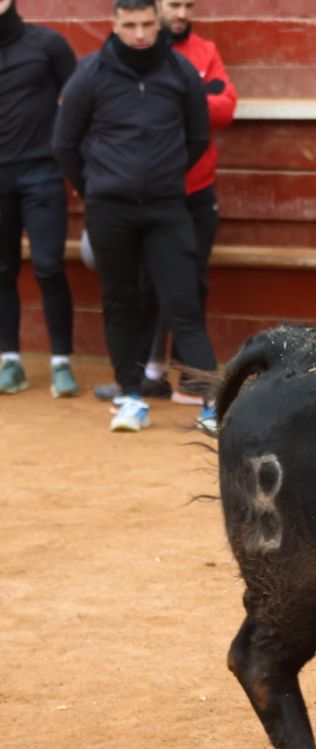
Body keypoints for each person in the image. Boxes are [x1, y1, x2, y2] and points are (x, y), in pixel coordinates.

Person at [54, 0, 219, 434]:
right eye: (130, 25)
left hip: (167, 208)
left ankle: (212, 404)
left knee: (184, 302)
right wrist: (97, 187)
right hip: (111, 210)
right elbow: (65, 144)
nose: (141, 33)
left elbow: (198, 136)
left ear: (157, 21)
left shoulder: (180, 72)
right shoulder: (90, 74)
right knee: (121, 303)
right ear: (115, 24)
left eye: (148, 23)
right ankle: (130, 397)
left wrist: (163, 176)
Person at [93, 0, 236, 406]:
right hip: (134, 199)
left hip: (191, 191)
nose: (182, 13)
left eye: (189, 5)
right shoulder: (117, 65)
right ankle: (140, 379)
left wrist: (179, 101)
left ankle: (190, 382)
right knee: (137, 291)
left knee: (188, 289)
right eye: (175, 4)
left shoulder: (203, 52)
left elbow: (225, 108)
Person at [0, 0, 79, 400]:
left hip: (42, 173)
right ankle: (9, 361)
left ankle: (61, 362)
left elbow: (80, 103)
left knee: (48, 266)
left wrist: (79, 164)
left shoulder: (48, 44)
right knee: (2, 270)